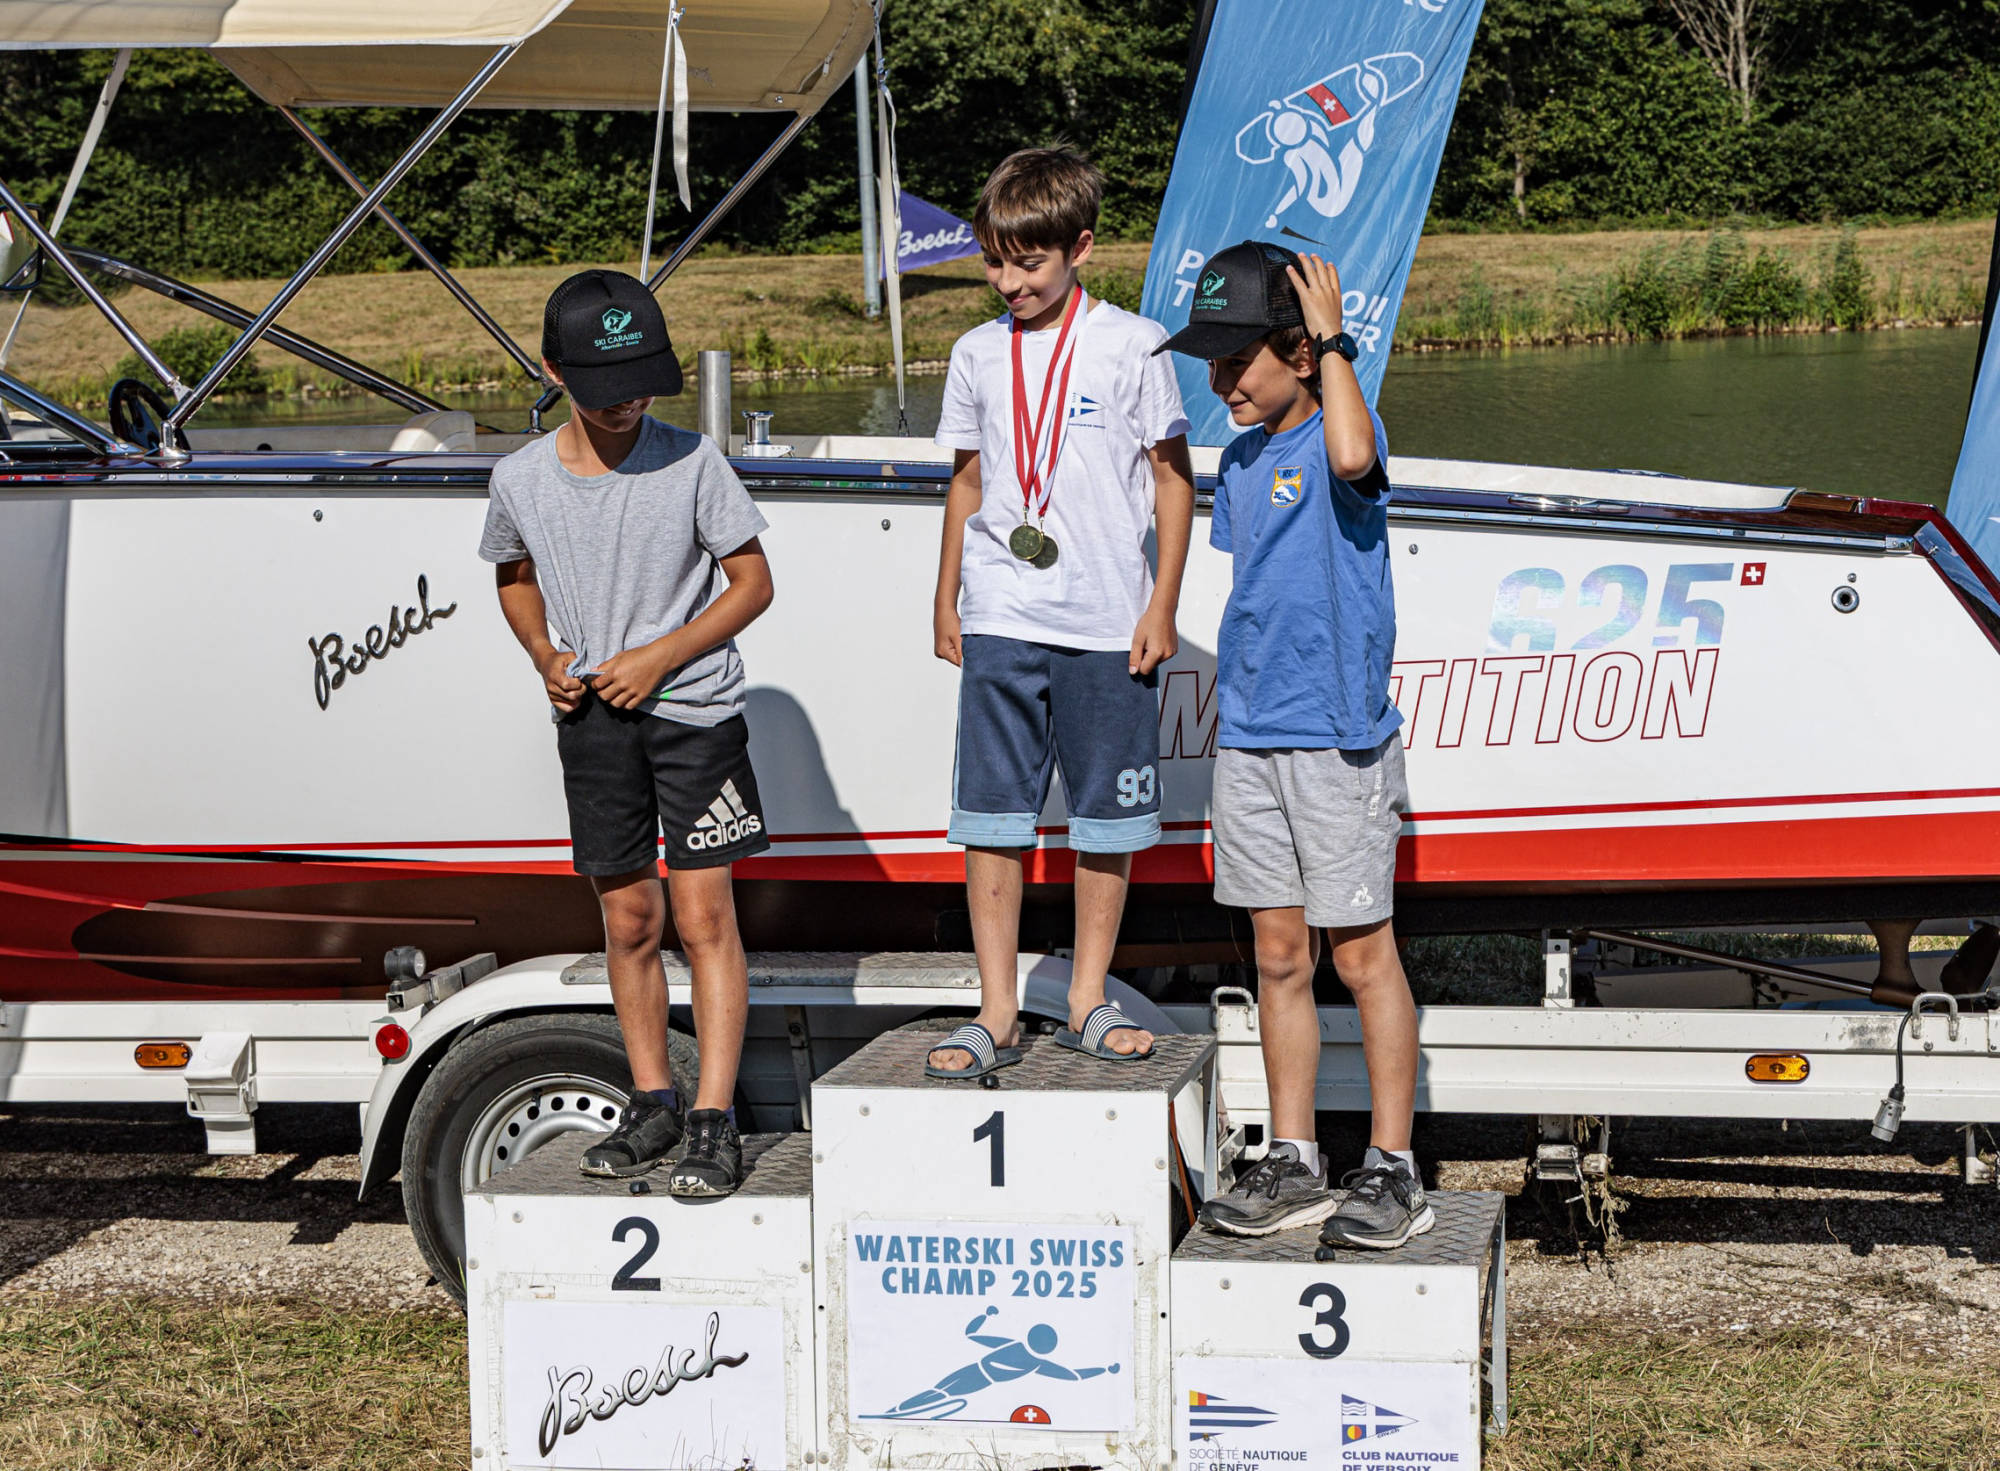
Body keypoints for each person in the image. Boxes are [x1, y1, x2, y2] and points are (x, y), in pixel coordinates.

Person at [1158, 240, 1430, 1248]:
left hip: (1335, 742)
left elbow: (1352, 459)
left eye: (1239, 362)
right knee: (1277, 955)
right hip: (1251, 738)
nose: (1221, 383)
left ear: (1298, 354)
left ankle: (1393, 1166)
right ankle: (1295, 1158)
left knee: (1360, 956)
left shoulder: (1342, 430)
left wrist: (1334, 341)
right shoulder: (1239, 461)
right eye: (1213, 364)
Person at [479, 269, 773, 1194]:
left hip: (696, 716)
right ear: (553, 371)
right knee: (629, 917)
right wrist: (543, 654)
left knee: (703, 916)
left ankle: (714, 1118)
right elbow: (512, 575)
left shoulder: (693, 460)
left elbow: (753, 584)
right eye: (608, 387)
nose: (629, 402)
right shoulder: (520, 478)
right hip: (594, 721)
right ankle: (653, 1103)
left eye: (643, 381)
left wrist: (659, 656)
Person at [925, 146, 1196, 1079]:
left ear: (1080, 248)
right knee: (991, 816)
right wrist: (946, 592)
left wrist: (1162, 603)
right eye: (994, 263)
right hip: (1002, 610)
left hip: (1106, 621)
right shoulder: (975, 352)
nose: (1010, 283)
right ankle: (998, 1008)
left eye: (1029, 264)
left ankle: (1086, 997)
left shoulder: (1135, 343)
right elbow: (968, 481)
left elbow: (1172, 479)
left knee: (1105, 823)